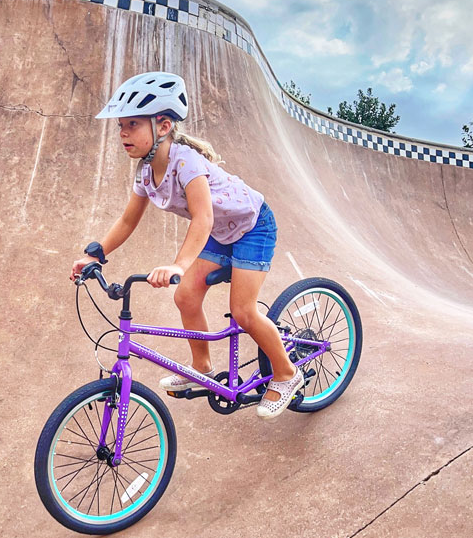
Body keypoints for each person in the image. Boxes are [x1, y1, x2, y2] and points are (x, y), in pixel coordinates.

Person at [70, 71, 305, 418]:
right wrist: (96, 253)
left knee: (243, 311)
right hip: (221, 233)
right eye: (121, 125)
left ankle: (287, 373)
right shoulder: (145, 173)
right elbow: (127, 221)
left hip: (252, 226)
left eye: (132, 124)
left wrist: (179, 265)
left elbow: (203, 219)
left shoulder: (187, 163)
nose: (123, 133)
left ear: (163, 126)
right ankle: (203, 367)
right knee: (185, 296)